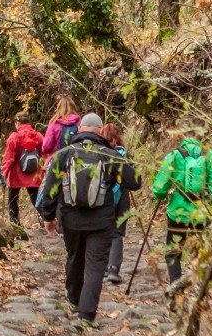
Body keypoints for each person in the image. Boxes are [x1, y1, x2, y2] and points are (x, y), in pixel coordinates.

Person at [37, 113, 138, 325]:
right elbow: (134, 182)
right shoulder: (110, 155)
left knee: (75, 257)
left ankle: (74, 300)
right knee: (95, 265)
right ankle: (87, 315)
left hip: (70, 219)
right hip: (102, 221)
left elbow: (50, 188)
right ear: (100, 131)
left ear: (80, 129)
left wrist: (48, 216)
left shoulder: (64, 154)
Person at [150, 134, 212, 288]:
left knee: (173, 253)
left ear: (183, 136)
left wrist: (163, 194)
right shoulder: (211, 155)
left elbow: (158, 188)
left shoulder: (174, 156)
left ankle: (175, 288)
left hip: (178, 213)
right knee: (202, 253)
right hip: (203, 214)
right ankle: (201, 289)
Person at [2, 113, 45, 226]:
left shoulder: (14, 137)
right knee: (36, 198)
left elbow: (9, 158)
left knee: (13, 200)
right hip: (33, 172)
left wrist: (4, 173)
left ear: (17, 123)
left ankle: (16, 225)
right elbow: (42, 152)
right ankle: (49, 221)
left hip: (16, 173)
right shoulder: (38, 136)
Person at [100, 122, 130, 284]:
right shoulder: (124, 155)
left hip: (105, 196)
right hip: (123, 196)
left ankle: (105, 268)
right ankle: (113, 269)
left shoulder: (99, 153)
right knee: (117, 233)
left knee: (104, 232)